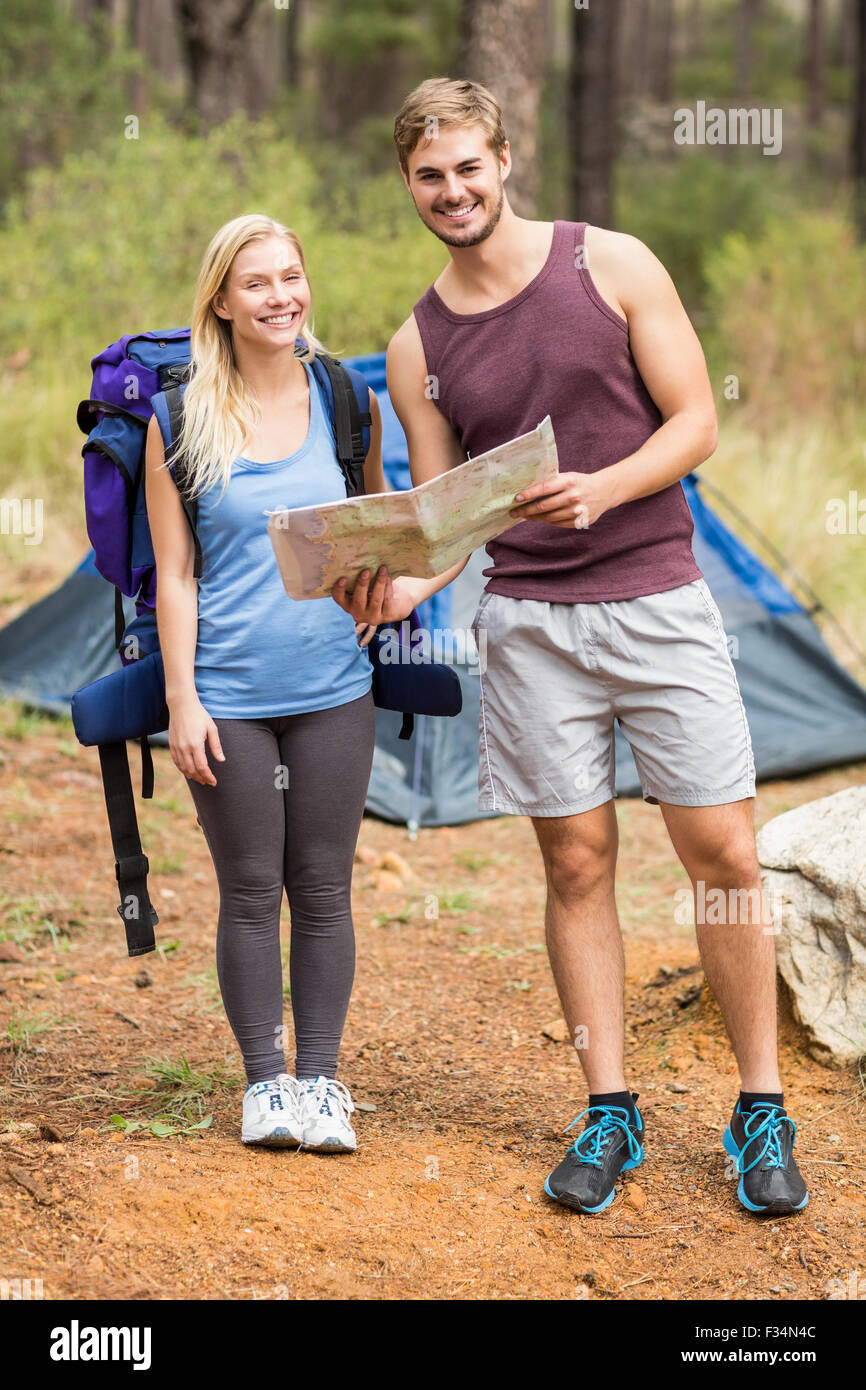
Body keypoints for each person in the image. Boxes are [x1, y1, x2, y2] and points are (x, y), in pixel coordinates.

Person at [336, 79, 808, 1217]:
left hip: (656, 600)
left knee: (724, 855)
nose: (451, 192)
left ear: (503, 158)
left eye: (466, 167)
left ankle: (758, 1103)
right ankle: (609, 1105)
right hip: (528, 627)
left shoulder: (613, 264)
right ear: (408, 184)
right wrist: (405, 583)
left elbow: (695, 420)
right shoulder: (417, 345)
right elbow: (457, 513)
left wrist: (604, 489)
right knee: (576, 863)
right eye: (427, 176)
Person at [144, 213, 427, 1152]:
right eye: (257, 283)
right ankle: (265, 1084)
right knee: (251, 890)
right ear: (221, 300)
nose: (281, 298)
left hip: (334, 687)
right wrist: (182, 699)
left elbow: (378, 531)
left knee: (325, 885)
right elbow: (175, 576)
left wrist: (389, 584)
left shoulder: (347, 399)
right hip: (227, 697)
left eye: (292, 277)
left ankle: (321, 1084)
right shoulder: (178, 418)